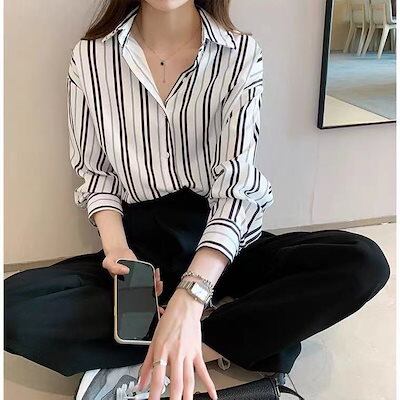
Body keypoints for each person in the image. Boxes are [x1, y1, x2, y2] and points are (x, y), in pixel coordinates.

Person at [4, 1, 391, 399]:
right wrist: (118, 249)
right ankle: (223, 332)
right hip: (143, 254)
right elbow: (97, 174)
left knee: (361, 262)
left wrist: (192, 295)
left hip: (224, 247)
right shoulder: (91, 57)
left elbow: (237, 184)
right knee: (11, 308)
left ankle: (181, 352)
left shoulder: (239, 54)